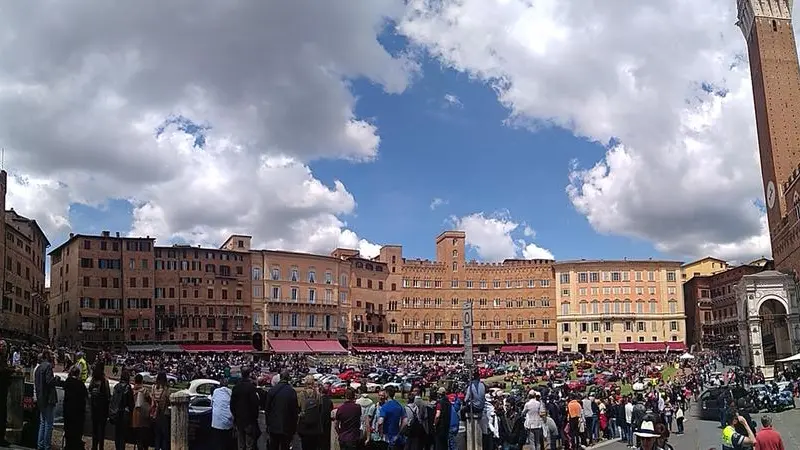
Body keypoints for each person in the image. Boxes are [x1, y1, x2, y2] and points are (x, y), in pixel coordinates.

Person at [232, 367, 263, 450]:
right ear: (249, 374)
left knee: (241, 444)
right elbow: (255, 404)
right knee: (249, 445)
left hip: (239, 419)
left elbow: (232, 405)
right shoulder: (251, 387)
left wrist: (235, 416)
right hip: (249, 420)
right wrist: (254, 417)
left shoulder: (236, 387)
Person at [34, 349, 59, 450]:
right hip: (48, 399)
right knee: (48, 424)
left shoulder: (38, 368)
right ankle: (46, 446)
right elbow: (49, 381)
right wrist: (56, 379)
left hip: (41, 398)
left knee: (42, 423)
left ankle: (40, 445)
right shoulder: (47, 366)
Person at [63, 365, 88, 450]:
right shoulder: (81, 384)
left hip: (68, 412)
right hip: (78, 413)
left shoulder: (67, 382)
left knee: (68, 432)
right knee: (76, 434)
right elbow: (85, 397)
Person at [297, 375, 324, 450]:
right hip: (315, 425)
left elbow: (298, 408)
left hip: (304, 424)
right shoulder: (318, 395)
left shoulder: (301, 394)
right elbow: (320, 409)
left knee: (304, 446)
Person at [88, 362, 111, 450]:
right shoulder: (104, 381)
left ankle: (94, 446)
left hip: (94, 408)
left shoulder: (93, 380)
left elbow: (90, 389)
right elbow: (108, 395)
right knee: (102, 431)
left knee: (95, 429)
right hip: (103, 409)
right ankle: (101, 447)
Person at [110, 369, 134, 450]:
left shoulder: (116, 387)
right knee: (123, 436)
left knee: (117, 435)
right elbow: (131, 403)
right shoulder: (128, 388)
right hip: (124, 414)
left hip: (116, 413)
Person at [378, 385, 406, 450]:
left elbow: (380, 422)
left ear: (387, 394)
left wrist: (381, 433)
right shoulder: (399, 406)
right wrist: (399, 433)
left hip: (388, 437)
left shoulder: (385, 407)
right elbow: (405, 422)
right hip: (398, 438)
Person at [211, 378, 235, 450]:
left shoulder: (215, 391)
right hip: (227, 420)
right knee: (227, 441)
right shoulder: (230, 392)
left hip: (216, 421)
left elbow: (212, 403)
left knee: (218, 441)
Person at [150, 372, 171, 450]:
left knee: (157, 435)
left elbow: (151, 398)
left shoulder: (153, 387)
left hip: (155, 413)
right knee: (165, 436)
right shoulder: (166, 389)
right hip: (164, 413)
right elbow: (169, 400)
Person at [131, 373, 151, 450]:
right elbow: (150, 400)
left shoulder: (132, 391)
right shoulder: (145, 391)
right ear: (142, 381)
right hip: (144, 418)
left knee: (138, 439)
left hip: (135, 417)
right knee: (145, 439)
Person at [0, 338, 11, 447]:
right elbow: (3, 370)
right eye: (2, 346)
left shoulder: (3, 358)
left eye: (5, 347)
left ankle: (2, 437)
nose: (4, 348)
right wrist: (12, 370)